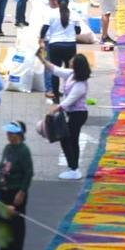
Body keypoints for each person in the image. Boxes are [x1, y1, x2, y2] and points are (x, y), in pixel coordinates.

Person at [37, 52, 91, 180]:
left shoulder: (80, 85)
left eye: (73, 60)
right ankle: (73, 167)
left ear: (77, 65)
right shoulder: (72, 74)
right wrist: (41, 58)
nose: (70, 61)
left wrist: (53, 111)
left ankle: (74, 169)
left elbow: (68, 101)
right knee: (69, 139)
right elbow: (55, 69)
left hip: (78, 115)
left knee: (68, 139)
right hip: (71, 113)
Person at [0, 121, 33, 250]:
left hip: (16, 191)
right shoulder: (8, 148)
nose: (8, 135)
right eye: (8, 132)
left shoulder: (24, 151)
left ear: (19, 134)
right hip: (4, 190)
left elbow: (28, 173)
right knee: (2, 222)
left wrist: (22, 192)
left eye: (11, 133)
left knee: (16, 224)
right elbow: (3, 169)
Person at [40, 0, 81, 103]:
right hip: (70, 45)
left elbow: (44, 28)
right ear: (68, 3)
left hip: (55, 45)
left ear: (58, 3)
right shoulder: (74, 14)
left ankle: (56, 97)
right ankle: (68, 94)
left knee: (55, 71)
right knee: (69, 71)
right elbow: (78, 31)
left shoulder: (52, 13)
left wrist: (41, 39)